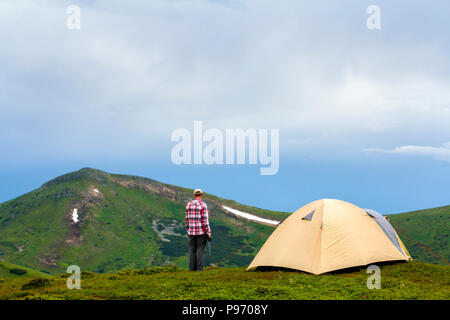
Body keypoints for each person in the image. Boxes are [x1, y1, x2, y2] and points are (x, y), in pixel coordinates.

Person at [185, 189, 211, 271]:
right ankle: (200, 269)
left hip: (191, 231)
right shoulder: (203, 205)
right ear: (202, 195)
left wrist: (188, 230)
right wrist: (208, 231)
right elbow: (205, 220)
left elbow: (186, 219)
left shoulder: (188, 204)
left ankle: (192, 269)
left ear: (194, 195)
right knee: (200, 250)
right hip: (200, 231)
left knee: (192, 250)